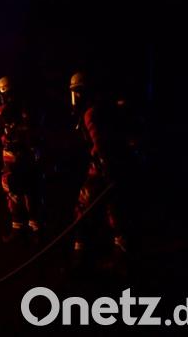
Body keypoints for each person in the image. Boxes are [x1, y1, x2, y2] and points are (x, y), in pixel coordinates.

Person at [69, 72, 137, 266]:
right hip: (116, 166)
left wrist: (106, 169)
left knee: (83, 208)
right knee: (114, 209)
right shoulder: (104, 108)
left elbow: (100, 144)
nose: (75, 98)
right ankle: (122, 251)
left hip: (103, 169)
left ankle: (80, 254)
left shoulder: (91, 114)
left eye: (77, 92)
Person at [0, 76, 43, 243]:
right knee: (30, 191)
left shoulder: (2, 110)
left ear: (3, 93)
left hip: (11, 159)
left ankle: (18, 229)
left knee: (12, 192)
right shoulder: (26, 108)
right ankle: (36, 229)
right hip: (29, 156)